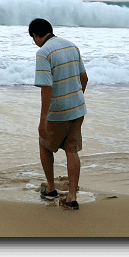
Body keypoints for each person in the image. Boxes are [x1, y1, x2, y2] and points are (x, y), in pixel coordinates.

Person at [29, 18, 88, 209]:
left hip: (57, 111)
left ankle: (51, 188)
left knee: (45, 145)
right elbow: (84, 78)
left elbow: (46, 88)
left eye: (33, 38)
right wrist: (76, 100)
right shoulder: (72, 46)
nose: (34, 42)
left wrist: (42, 120)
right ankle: (71, 197)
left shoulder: (43, 52)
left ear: (37, 35)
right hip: (78, 108)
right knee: (72, 151)